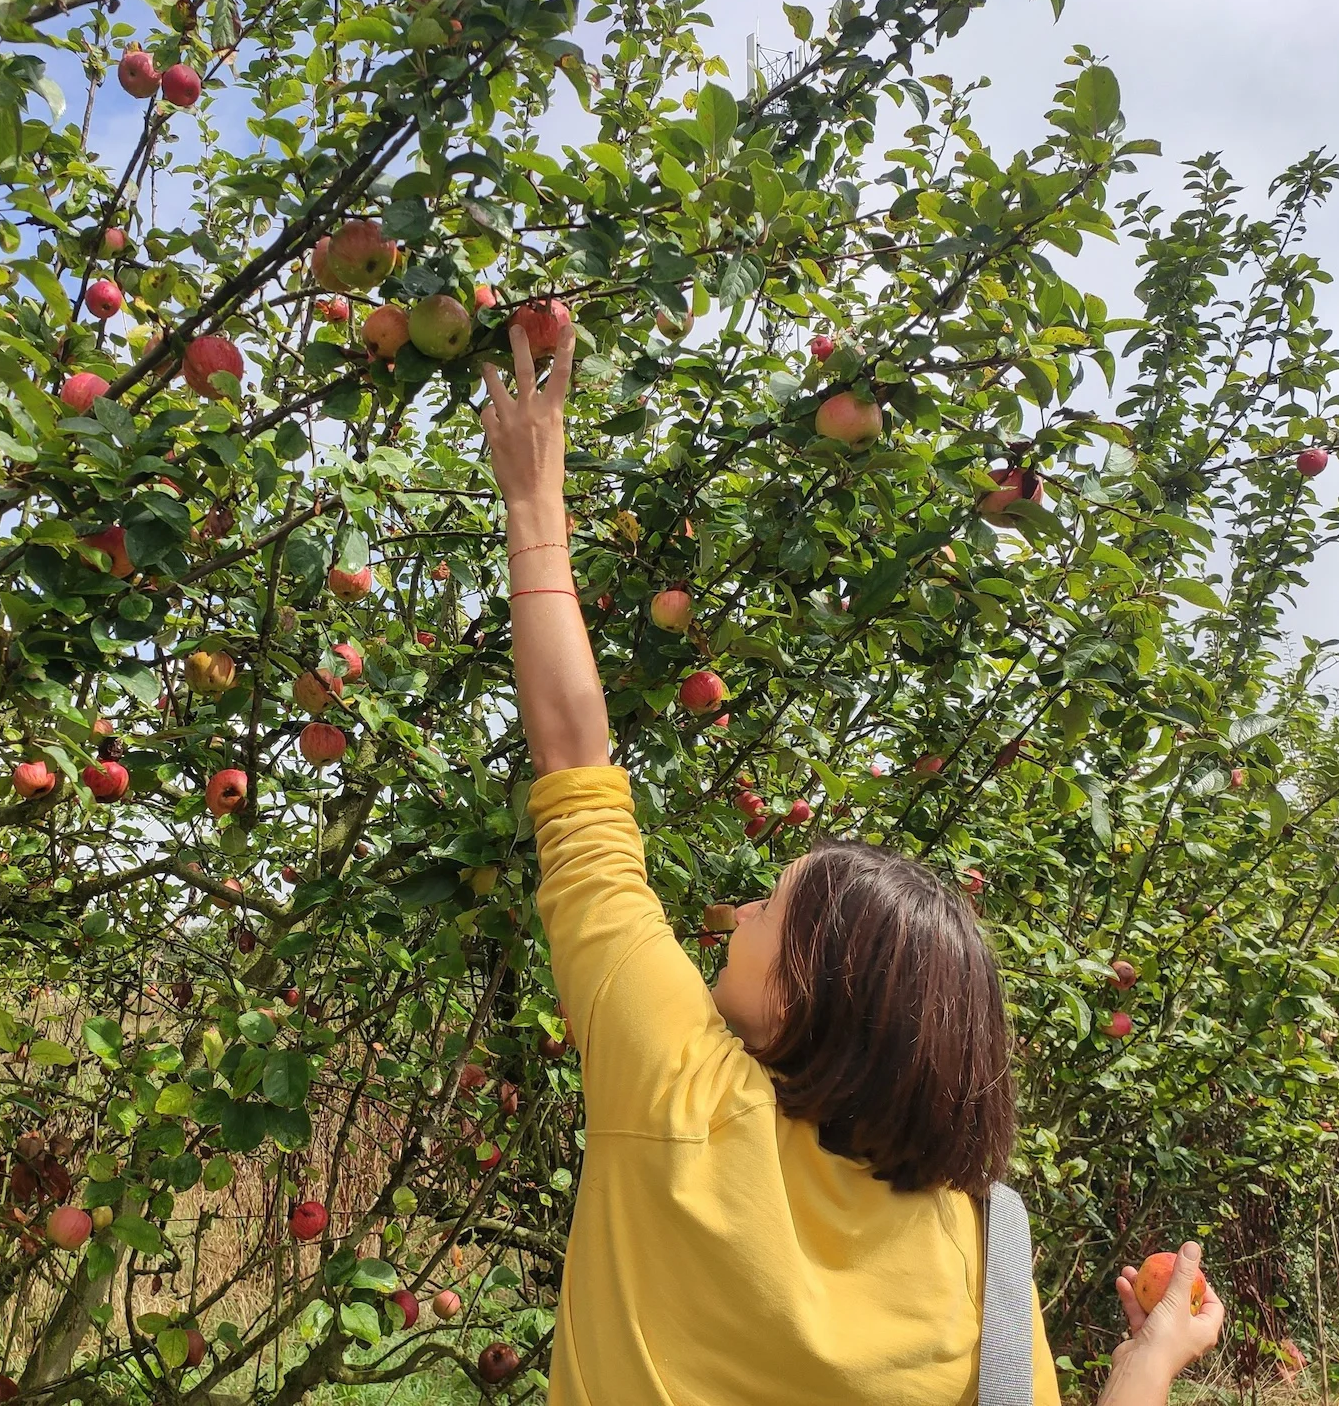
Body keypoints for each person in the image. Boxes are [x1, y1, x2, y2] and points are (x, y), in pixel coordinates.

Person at [480, 324, 1227, 1405]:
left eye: (766, 909)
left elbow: (575, 766)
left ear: (807, 999)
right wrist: (1147, 1364)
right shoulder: (981, 1256)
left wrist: (531, 506)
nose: (734, 908)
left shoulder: (671, 1087)